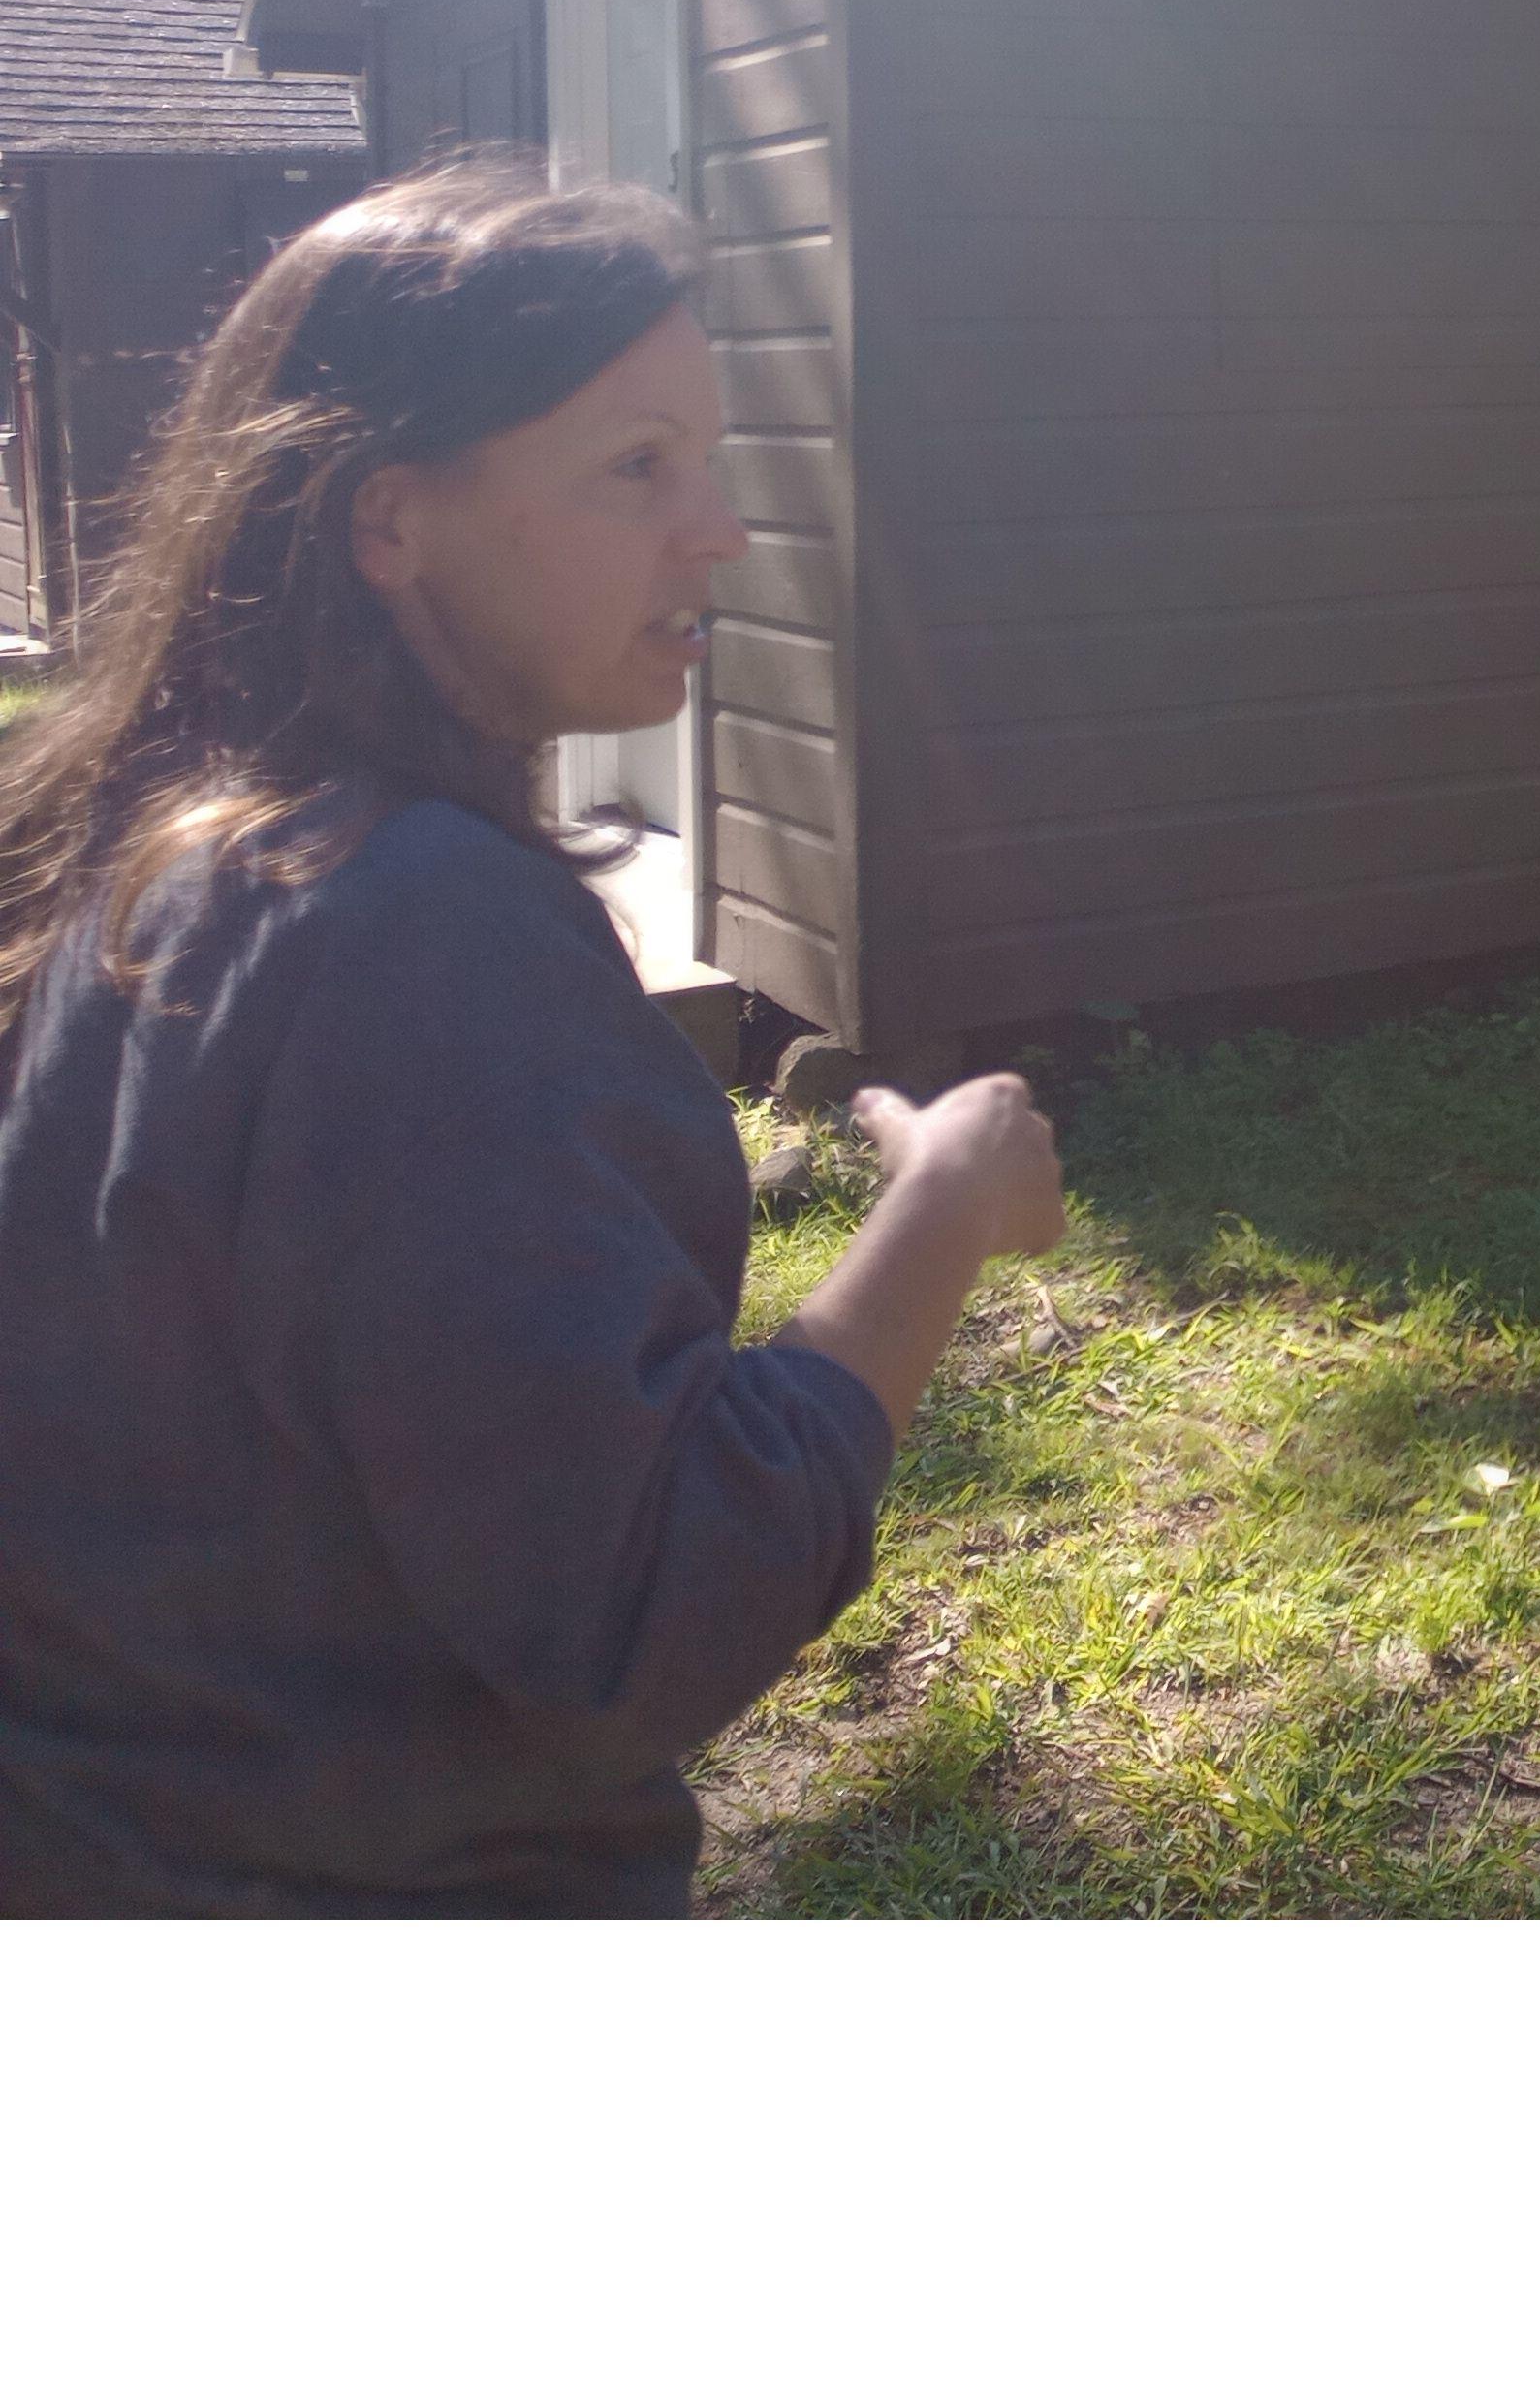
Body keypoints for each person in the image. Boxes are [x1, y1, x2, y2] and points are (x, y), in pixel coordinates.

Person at [0, 157, 1063, 1914]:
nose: (712, 526)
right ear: (387, 521)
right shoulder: (412, 936)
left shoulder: (132, 854)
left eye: (707, 460)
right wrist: (939, 1219)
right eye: (634, 467)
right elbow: (643, 1613)